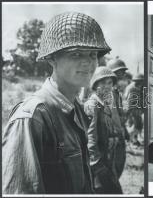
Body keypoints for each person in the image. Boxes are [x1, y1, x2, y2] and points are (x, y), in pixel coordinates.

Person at [2, 12, 111, 194]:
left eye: (93, 54)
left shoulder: (77, 110)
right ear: (52, 59)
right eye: (76, 54)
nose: (88, 62)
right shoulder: (32, 117)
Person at [84, 67, 123, 194]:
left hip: (109, 159)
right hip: (99, 163)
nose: (107, 86)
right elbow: (90, 138)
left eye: (110, 83)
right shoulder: (93, 105)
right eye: (103, 83)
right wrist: (97, 165)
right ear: (95, 85)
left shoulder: (107, 104)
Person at [106, 57, 129, 178]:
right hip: (110, 136)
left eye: (122, 72)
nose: (122, 75)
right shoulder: (105, 92)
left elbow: (120, 114)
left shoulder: (116, 92)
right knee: (111, 168)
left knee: (120, 163)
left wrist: (124, 130)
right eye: (119, 72)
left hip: (119, 134)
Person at [124, 73, 144, 145]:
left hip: (135, 109)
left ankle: (133, 140)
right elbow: (130, 101)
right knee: (137, 126)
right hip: (133, 110)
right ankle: (129, 139)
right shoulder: (132, 88)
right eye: (141, 82)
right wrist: (129, 112)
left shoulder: (136, 87)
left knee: (135, 125)